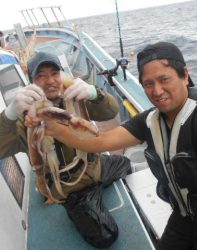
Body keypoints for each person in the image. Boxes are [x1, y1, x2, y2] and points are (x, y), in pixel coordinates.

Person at [34, 42, 197, 250]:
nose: (157, 91)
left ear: (185, 75)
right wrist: (54, 127)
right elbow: (99, 142)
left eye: (164, 79)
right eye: (148, 84)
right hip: (184, 215)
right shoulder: (149, 120)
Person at [0, 51, 131, 248]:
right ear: (31, 83)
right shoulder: (25, 119)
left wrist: (95, 93)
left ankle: (98, 183)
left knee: (126, 164)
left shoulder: (77, 96)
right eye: (41, 75)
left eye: (54, 73)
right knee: (106, 236)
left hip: (95, 167)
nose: (50, 80)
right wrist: (9, 114)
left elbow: (110, 111)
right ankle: (67, 203)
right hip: (71, 189)